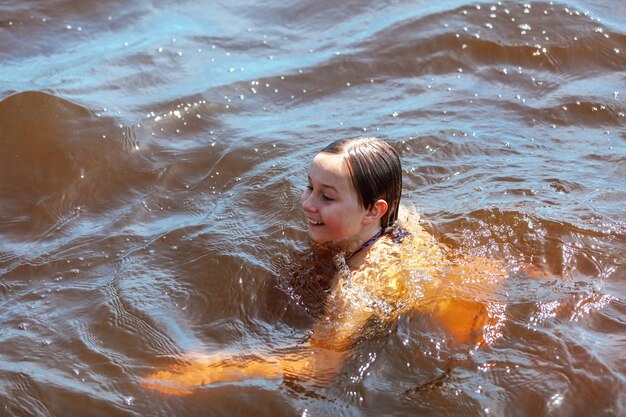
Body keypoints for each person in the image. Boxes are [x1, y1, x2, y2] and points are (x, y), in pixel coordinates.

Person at [142, 137, 507, 395]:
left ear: (373, 210)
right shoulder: (398, 220)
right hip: (466, 280)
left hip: (457, 332)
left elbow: (320, 370)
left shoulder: (361, 285)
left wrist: (210, 371)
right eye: (309, 187)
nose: (307, 203)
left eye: (327, 197)